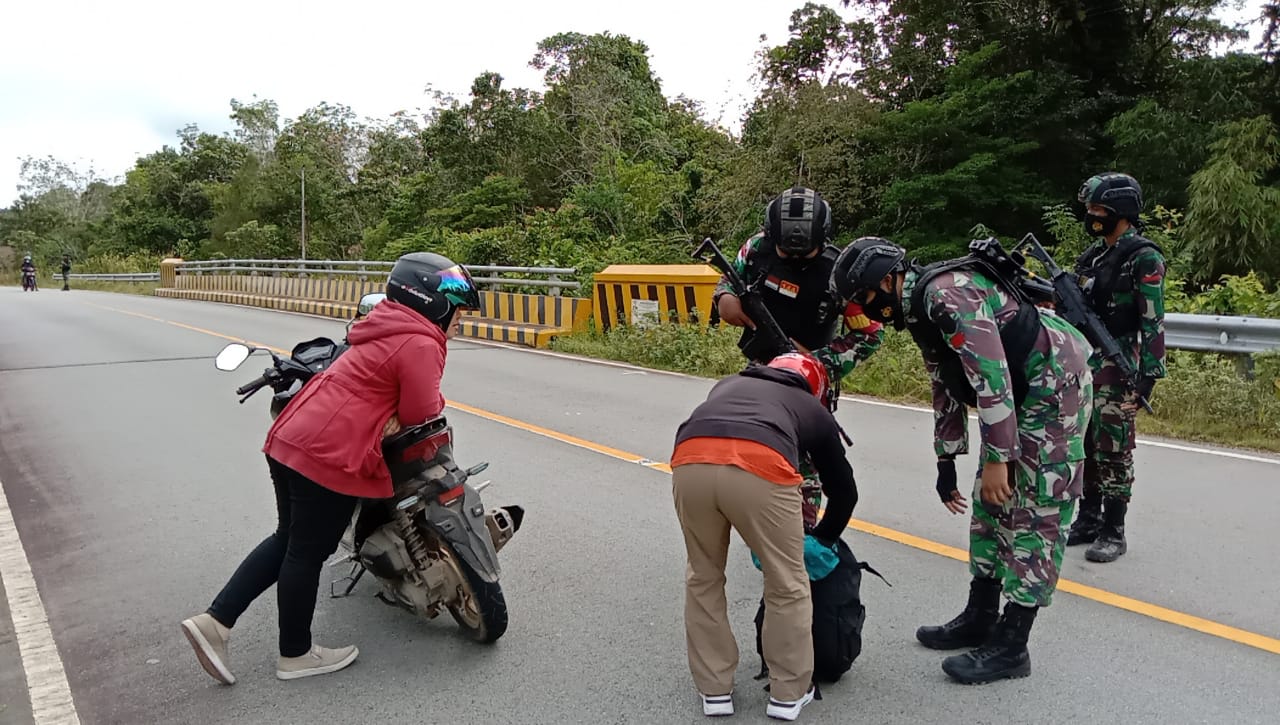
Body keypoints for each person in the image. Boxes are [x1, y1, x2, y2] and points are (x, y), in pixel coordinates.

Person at [180, 252, 480, 684]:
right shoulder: (421, 341)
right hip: (330, 453)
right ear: (434, 303)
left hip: (291, 436)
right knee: (307, 551)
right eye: (458, 312)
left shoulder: (383, 323)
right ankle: (295, 654)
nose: (460, 322)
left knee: (287, 540)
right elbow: (422, 410)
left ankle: (215, 622)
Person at [829, 236, 1093, 684]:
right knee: (990, 503)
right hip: (1015, 392)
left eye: (865, 298)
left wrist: (998, 458)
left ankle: (1013, 644)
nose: (865, 310)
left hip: (1054, 381)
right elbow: (947, 381)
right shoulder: (918, 310)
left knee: (1037, 509)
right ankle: (981, 615)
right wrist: (946, 458)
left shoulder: (945, 296)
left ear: (888, 280)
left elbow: (992, 378)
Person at [670, 352, 858, 721]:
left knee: (703, 577)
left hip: (690, 461)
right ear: (815, 387)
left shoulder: (728, 384)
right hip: (761, 466)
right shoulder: (813, 408)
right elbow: (844, 490)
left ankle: (714, 690)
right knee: (786, 582)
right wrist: (821, 539)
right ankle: (788, 693)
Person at [713, 185, 884, 527]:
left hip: (810, 380)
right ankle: (759, 521)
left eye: (802, 254)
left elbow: (868, 336)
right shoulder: (757, 248)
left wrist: (818, 360)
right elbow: (728, 280)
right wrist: (724, 299)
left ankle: (801, 533)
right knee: (755, 447)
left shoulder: (841, 273)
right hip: (760, 371)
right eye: (784, 250)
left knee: (805, 462)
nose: (791, 257)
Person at [1065, 172, 1167, 563]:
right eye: (1090, 210)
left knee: (1113, 446)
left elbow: (1152, 321)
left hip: (1119, 362)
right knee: (1085, 444)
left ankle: (1114, 528)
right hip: (1084, 361)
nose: (1092, 216)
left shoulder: (1144, 257)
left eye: (1099, 210)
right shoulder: (1093, 257)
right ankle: (1088, 518)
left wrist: (1147, 379)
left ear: (1121, 212)